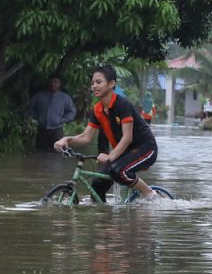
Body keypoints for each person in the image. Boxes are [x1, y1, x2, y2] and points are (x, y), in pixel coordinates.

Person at [54, 65, 158, 201]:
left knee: (118, 171)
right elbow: (86, 137)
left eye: (98, 82)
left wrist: (110, 157)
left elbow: (127, 137)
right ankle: (103, 219)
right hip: (124, 152)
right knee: (97, 185)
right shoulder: (97, 110)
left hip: (145, 148)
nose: (94, 86)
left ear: (111, 83)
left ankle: (150, 193)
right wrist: (65, 140)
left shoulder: (122, 105)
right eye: (92, 83)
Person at [28, 74, 76, 150]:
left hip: (57, 130)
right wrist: (37, 118)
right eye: (51, 82)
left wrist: (62, 120)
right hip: (42, 129)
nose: (53, 84)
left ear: (60, 84)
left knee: (57, 153)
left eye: (55, 82)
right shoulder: (39, 96)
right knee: (40, 152)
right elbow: (32, 108)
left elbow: (72, 111)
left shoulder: (65, 98)